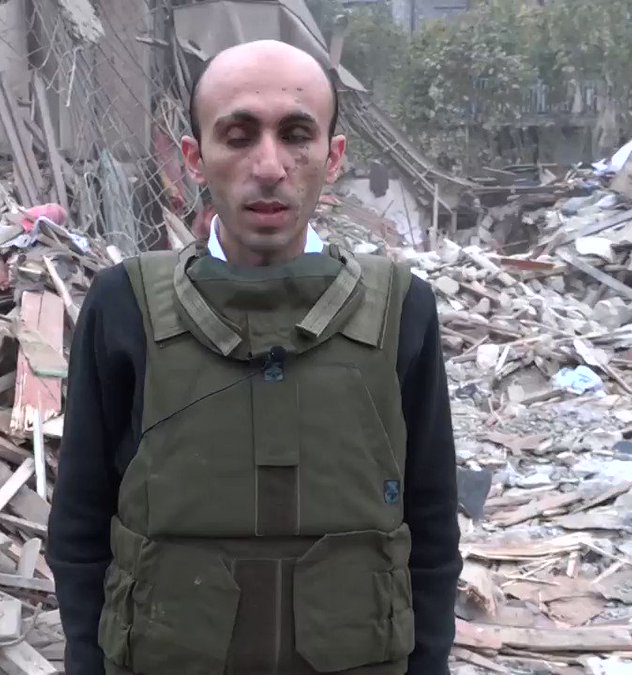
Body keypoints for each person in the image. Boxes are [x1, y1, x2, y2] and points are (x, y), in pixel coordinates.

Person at [47, 39, 462, 675]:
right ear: (195, 158)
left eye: (296, 135)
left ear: (333, 156)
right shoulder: (123, 304)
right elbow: (79, 526)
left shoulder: (402, 308)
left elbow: (432, 528)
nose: (269, 166)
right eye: (238, 136)